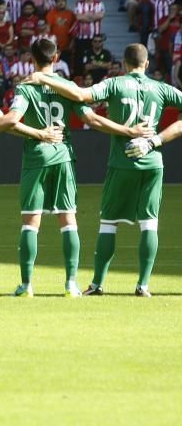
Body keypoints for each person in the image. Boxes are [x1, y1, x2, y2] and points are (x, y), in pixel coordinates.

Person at [0, 39, 151, 297]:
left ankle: (26, 285)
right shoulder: (67, 86)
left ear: (31, 59)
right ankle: (71, 284)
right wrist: (128, 130)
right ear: (56, 58)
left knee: (30, 222)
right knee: (68, 220)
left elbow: (11, 120)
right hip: (63, 156)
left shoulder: (26, 87)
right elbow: (90, 119)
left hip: (36, 158)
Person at [25, 44, 182, 297]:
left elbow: (81, 95)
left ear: (123, 63)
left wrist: (43, 77)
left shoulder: (114, 84)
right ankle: (143, 286)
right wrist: (155, 140)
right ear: (147, 64)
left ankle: (97, 284)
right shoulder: (161, 88)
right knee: (149, 224)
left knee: (109, 223)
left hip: (122, 162)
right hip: (152, 161)